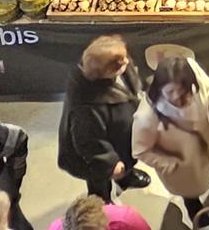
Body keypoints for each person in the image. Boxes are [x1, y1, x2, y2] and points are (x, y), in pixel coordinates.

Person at [136, 56, 209, 227]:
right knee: (190, 195)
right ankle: (196, 211)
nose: (177, 98)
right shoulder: (146, 116)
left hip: (206, 151)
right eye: (170, 92)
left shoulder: (195, 79)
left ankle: (208, 196)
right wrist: (168, 163)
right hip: (181, 167)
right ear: (159, 88)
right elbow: (140, 151)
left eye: (182, 91)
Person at [59, 35, 151, 200]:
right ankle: (101, 198)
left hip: (118, 136)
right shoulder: (87, 107)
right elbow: (89, 142)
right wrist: (110, 164)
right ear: (107, 71)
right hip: (96, 156)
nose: (127, 62)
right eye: (121, 62)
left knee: (125, 161)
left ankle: (126, 177)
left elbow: (132, 81)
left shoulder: (105, 66)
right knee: (99, 179)